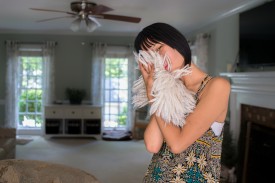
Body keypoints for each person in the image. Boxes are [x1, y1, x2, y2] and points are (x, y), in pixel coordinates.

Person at [134, 22, 231, 182]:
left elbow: (177, 144)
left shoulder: (217, 86)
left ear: (175, 41)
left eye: (158, 49)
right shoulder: (168, 91)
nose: (158, 58)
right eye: (151, 56)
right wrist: (154, 90)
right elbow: (153, 145)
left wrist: (152, 95)